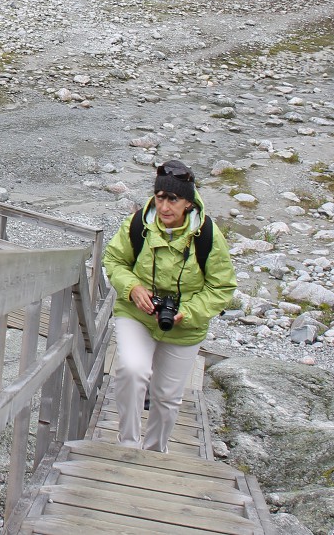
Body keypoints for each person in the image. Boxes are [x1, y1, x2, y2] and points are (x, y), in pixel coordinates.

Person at [102, 160, 236, 454]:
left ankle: (154, 452)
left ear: (188, 202)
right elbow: (114, 261)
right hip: (136, 313)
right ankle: (127, 445)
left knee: (167, 396)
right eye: (160, 197)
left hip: (185, 326)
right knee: (132, 369)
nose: (164, 207)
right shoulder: (139, 224)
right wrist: (132, 287)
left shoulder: (208, 237)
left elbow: (222, 287)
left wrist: (188, 311)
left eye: (173, 199)